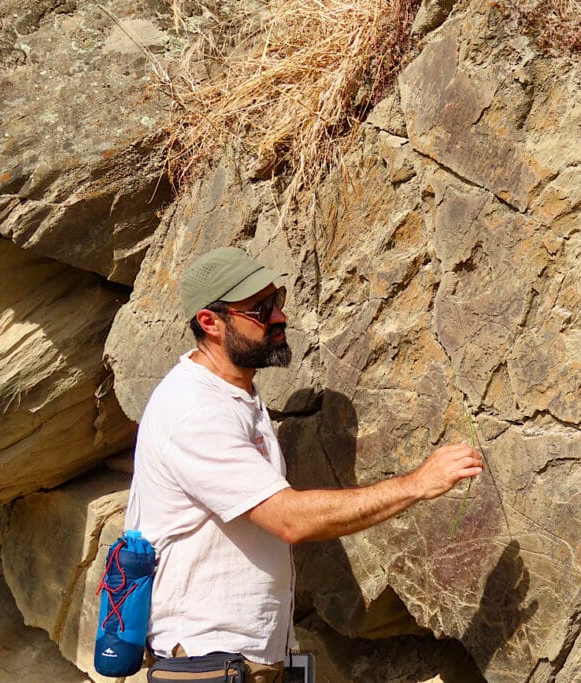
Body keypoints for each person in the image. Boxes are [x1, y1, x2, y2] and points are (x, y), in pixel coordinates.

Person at [124, 246, 484, 682]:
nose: (279, 317)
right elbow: (289, 520)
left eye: (278, 301)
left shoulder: (235, 394)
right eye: (260, 310)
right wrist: (417, 485)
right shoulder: (194, 412)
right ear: (210, 322)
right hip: (209, 659)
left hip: (249, 657)